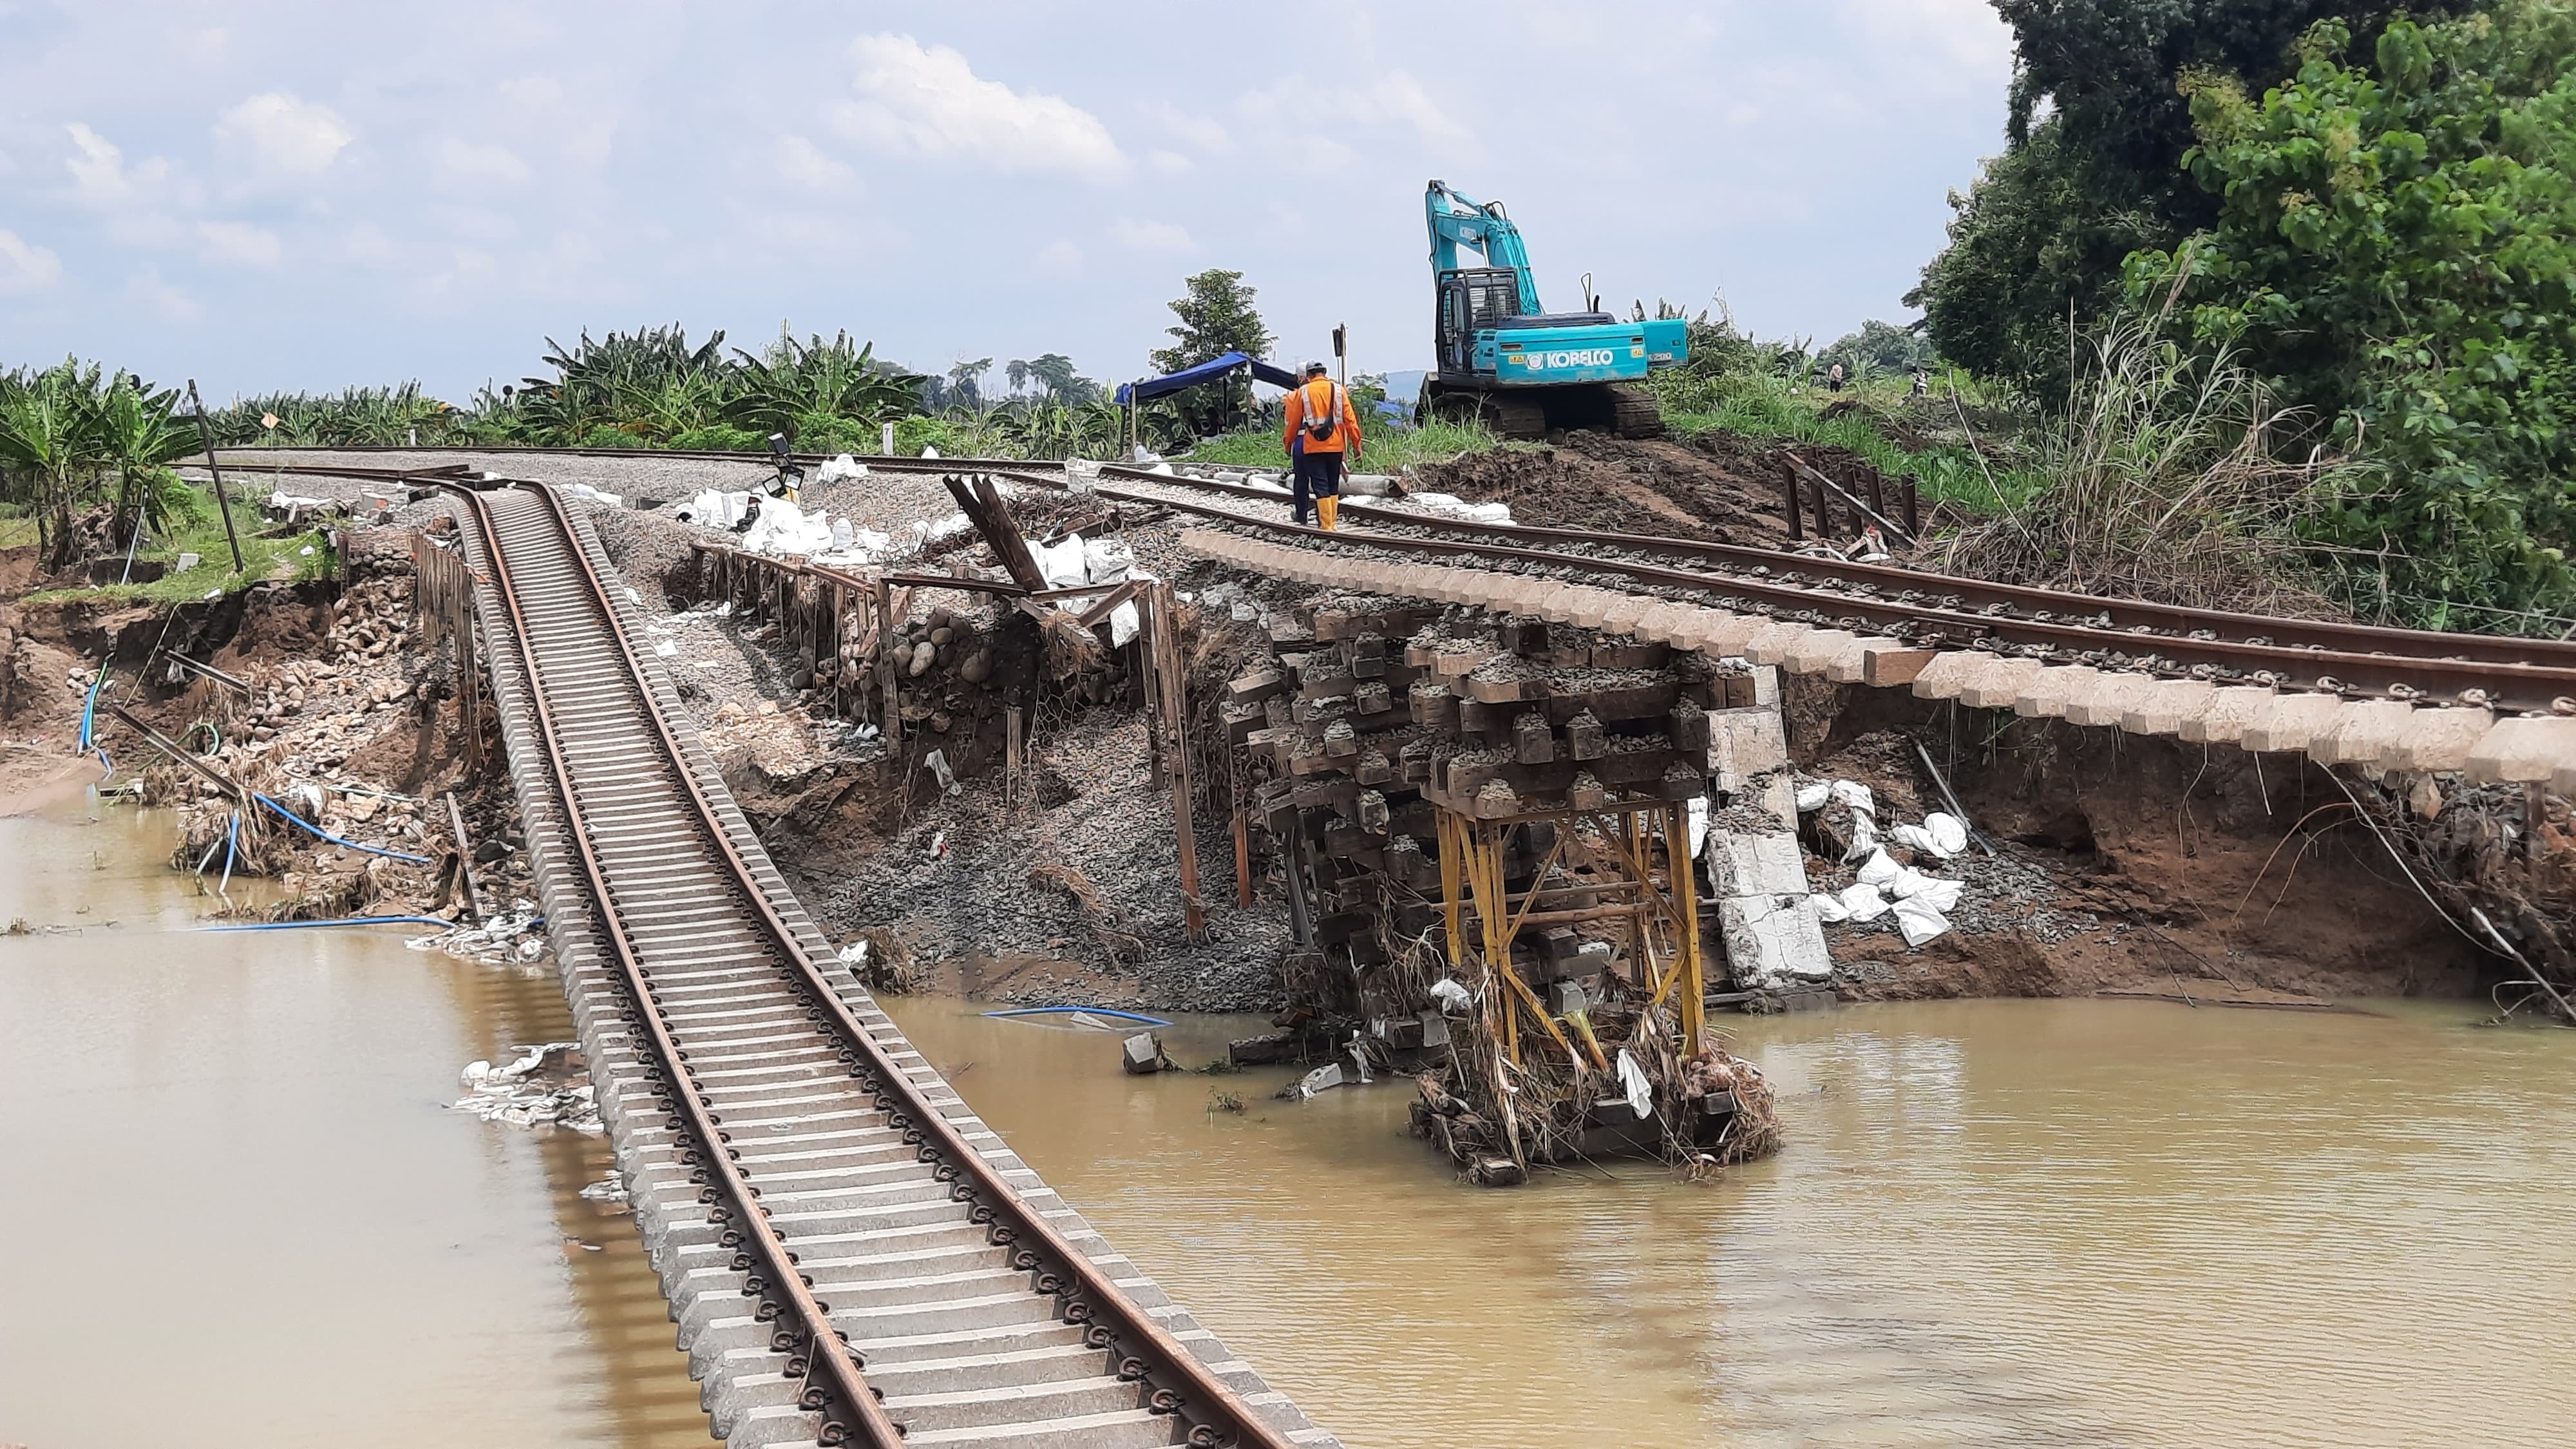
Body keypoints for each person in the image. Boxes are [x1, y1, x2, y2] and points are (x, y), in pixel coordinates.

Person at [1282, 362, 1361, 529]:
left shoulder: (1303, 392)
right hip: (1336, 446)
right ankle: (1333, 523)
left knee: (1320, 485)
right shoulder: (1339, 390)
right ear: (1324, 373)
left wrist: (1288, 444)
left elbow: (1293, 424)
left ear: (1308, 376)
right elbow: (1351, 420)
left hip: (1313, 447)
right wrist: (1357, 445)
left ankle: (1327, 526)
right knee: (1333, 484)